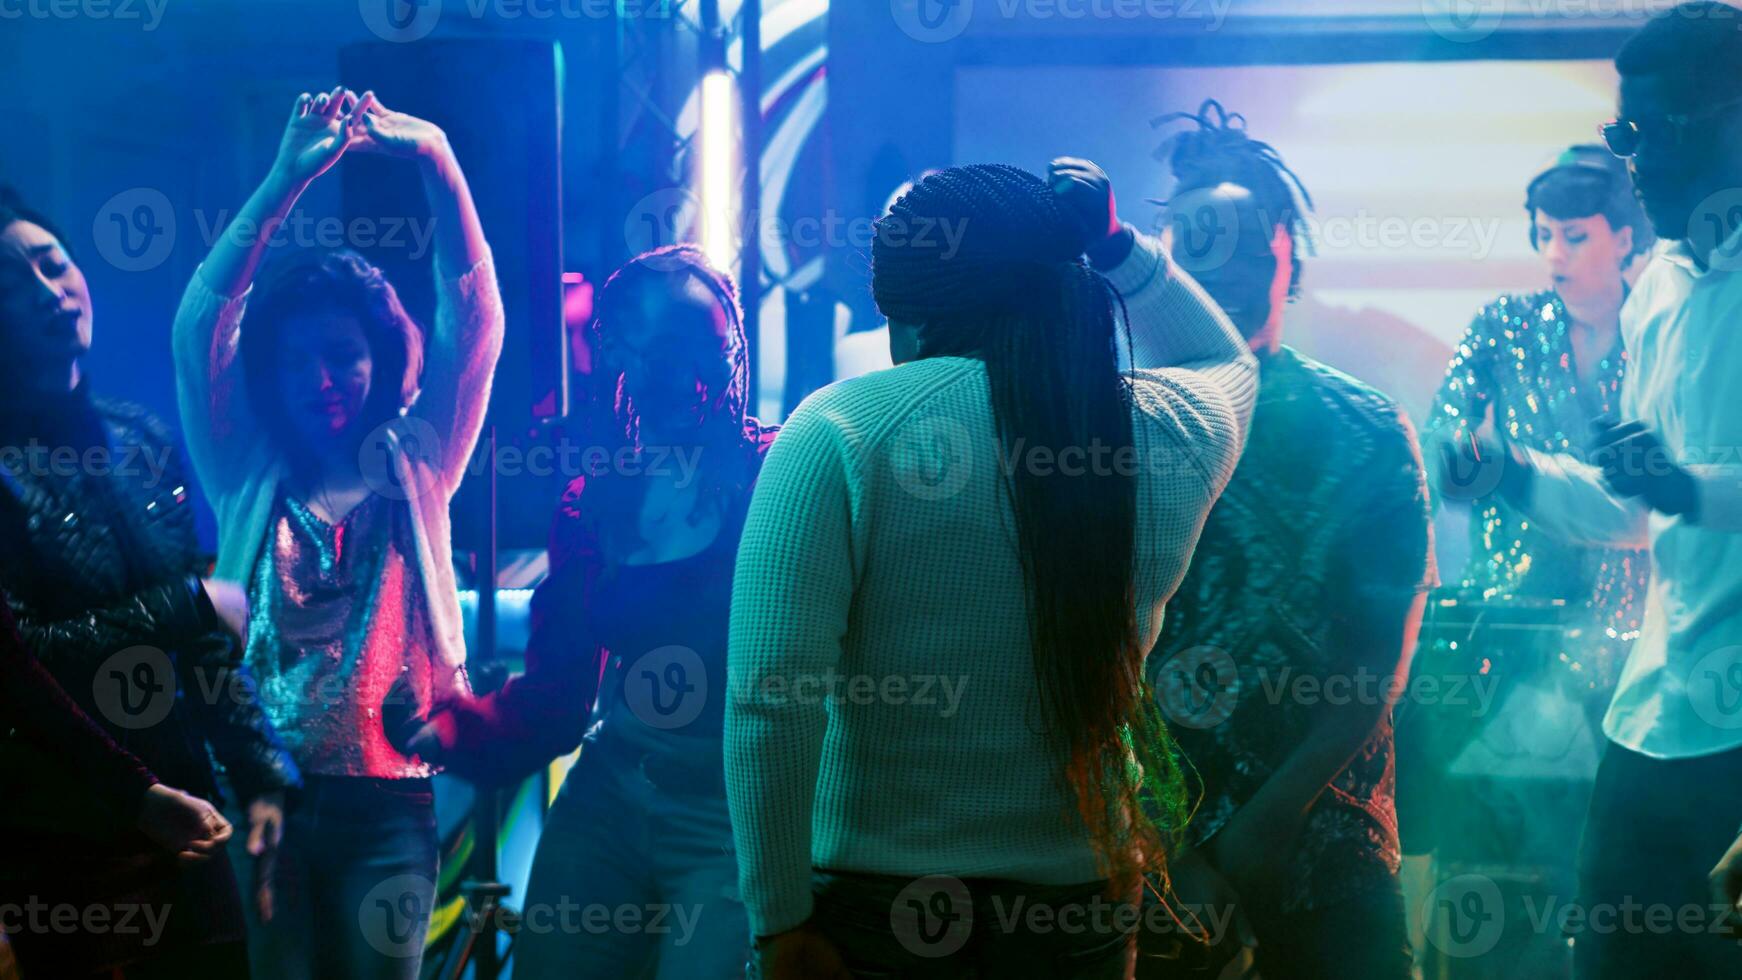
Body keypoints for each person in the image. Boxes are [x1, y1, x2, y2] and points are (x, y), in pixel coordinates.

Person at [726, 159, 1258, 979]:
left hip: (877, 917)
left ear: (902, 314)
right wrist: (1119, 247)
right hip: (1082, 915)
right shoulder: (1163, 429)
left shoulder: (839, 427)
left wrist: (778, 920)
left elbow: (771, 697)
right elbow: (1227, 363)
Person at [172, 87, 503, 979]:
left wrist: (437, 156)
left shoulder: (420, 463)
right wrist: (284, 180)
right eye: (295, 359)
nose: (321, 379)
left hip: (389, 807)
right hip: (266, 798)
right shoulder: (246, 469)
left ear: (381, 358)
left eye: (343, 355)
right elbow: (202, 324)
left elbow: (473, 322)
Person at [1440, 5, 1742, 975]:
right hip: (1653, 716)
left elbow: (1676, 489)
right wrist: (1510, 473)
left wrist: (1681, 487)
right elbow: (1636, 508)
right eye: (1625, 131)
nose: (1637, 155)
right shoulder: (1658, 288)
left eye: (1663, 129)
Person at [404, 245, 774, 978]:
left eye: (686, 347)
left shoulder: (778, 478)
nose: (665, 374)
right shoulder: (594, 502)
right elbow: (558, 695)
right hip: (612, 794)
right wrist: (450, 728)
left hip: (729, 816)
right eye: (637, 348)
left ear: (730, 349)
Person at [1138, 101, 1434, 980]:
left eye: (1245, 241)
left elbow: (1377, 669)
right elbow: (1084, 655)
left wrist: (1262, 828)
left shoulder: (1368, 428)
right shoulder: (1121, 427)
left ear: (1288, 254)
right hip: (1152, 857)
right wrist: (1174, 848)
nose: (1221, 266)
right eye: (1197, 242)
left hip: (1328, 841)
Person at [0, 186, 300, 977]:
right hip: (70, 837)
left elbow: (200, 645)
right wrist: (185, 600)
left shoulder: (139, 437)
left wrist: (258, 770)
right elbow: (18, 656)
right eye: (9, 284)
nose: (46, 292)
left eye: (53, 263)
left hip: (192, 817)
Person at [1424, 143, 1653, 706]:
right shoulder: (1504, 324)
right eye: (1544, 235)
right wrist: (1463, 454)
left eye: (1575, 237)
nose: (1554, 256)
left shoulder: (1660, 330)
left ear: (1624, 238)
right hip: (1504, 604)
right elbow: (1445, 427)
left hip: (1627, 614)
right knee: (1436, 766)